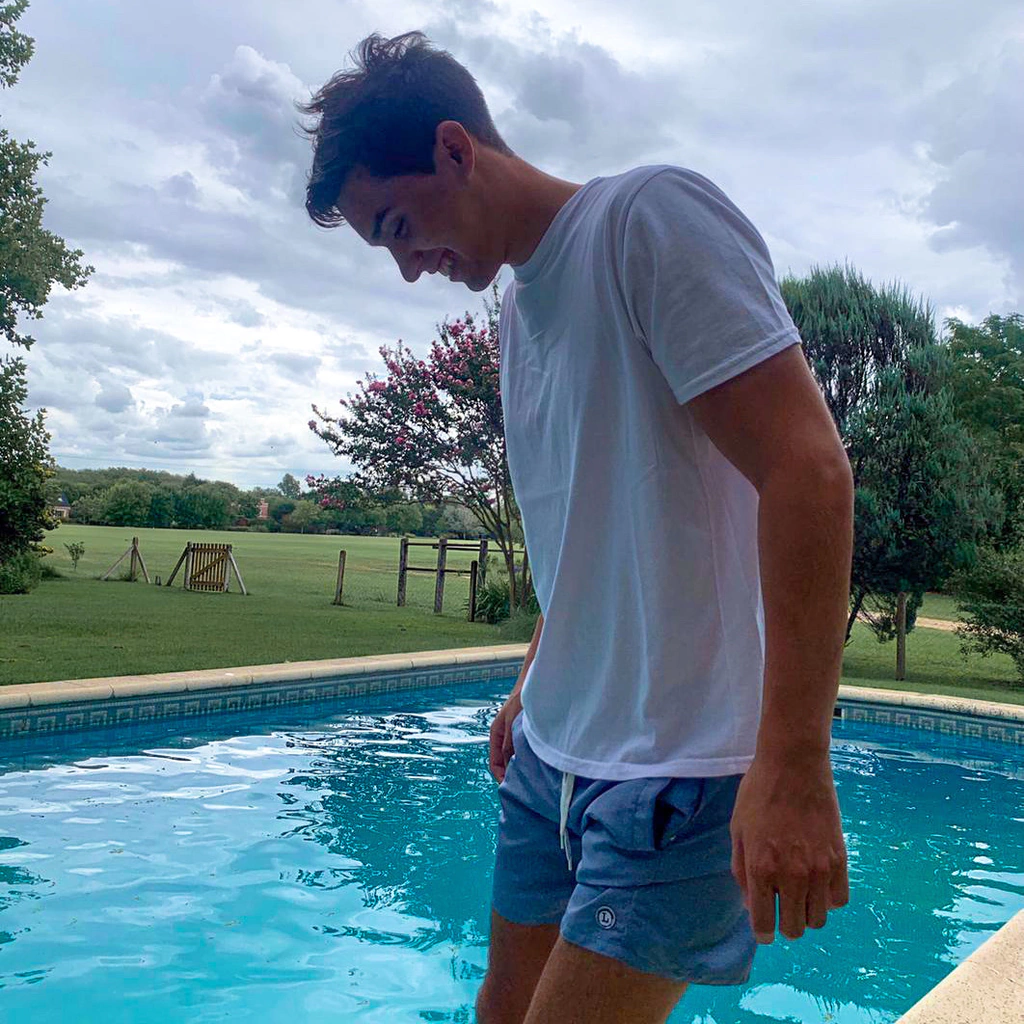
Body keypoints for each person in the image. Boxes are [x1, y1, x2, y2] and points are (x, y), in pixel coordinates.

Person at [300, 31, 853, 1024]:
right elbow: (587, 532)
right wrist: (533, 678)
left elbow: (807, 472)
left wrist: (796, 762)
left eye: (397, 226)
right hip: (553, 757)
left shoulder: (648, 220)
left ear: (455, 150)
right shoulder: (520, 311)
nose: (409, 268)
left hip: (681, 768)